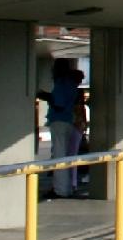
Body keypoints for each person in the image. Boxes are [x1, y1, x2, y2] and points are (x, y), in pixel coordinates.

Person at [36, 60, 86, 198]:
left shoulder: (61, 83)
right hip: (69, 121)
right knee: (66, 156)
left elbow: (58, 103)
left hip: (59, 121)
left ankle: (60, 190)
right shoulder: (71, 85)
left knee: (59, 156)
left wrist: (43, 95)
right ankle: (67, 188)